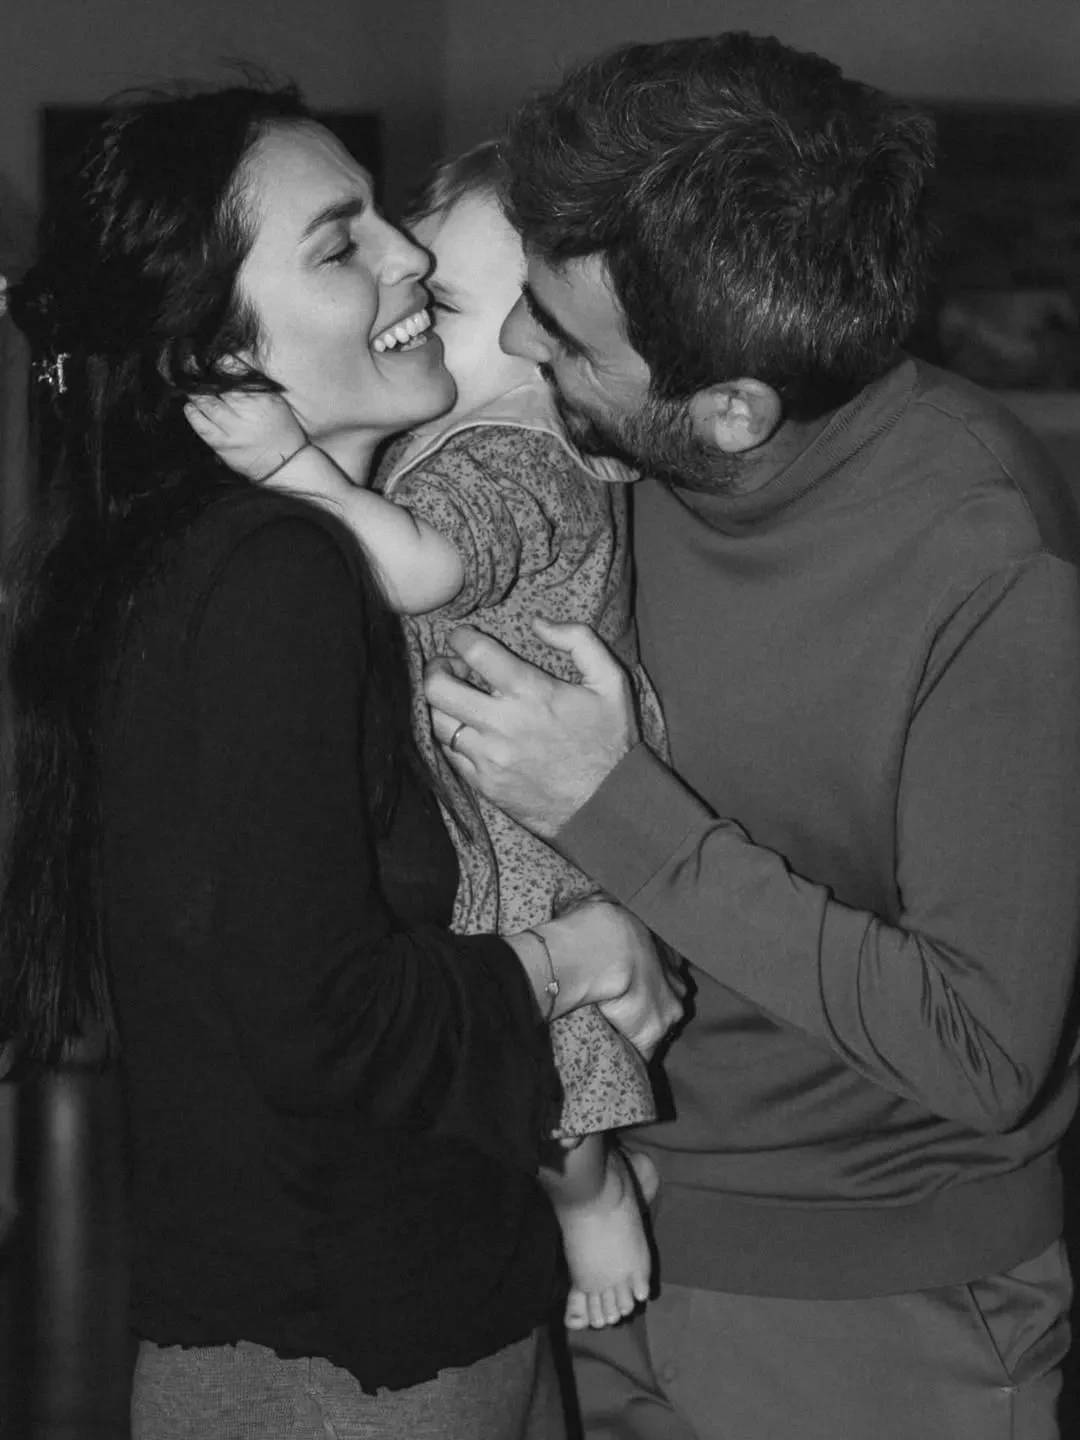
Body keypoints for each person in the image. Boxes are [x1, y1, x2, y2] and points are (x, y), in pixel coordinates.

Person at [422, 32, 1080, 1440]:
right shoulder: (592, 463)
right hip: (589, 1252)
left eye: (564, 334)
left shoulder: (986, 559)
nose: (518, 347)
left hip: (882, 1315)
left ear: (731, 409)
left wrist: (616, 804)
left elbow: (986, 1047)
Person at [0, 83, 681, 1439]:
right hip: (350, 1351)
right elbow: (327, 1022)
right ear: (218, 357)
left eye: (385, 218)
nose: (410, 253)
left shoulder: (274, 552)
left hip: (405, 1306)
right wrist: (582, 954)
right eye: (339, 243)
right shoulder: (276, 572)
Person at [186, 137, 672, 1335]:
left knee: (541, 1022)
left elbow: (422, 572)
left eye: (445, 303)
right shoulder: (475, 437)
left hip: (526, 806)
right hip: (493, 770)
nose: (408, 302)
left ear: (540, 341)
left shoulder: (513, 454)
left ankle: (596, 1193)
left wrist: (293, 464)